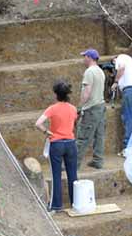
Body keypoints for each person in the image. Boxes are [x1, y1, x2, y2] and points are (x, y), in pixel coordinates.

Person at [35, 81, 78, 212]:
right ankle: (75, 202)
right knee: (73, 175)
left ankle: (56, 205)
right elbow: (74, 123)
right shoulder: (73, 108)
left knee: (56, 175)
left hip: (57, 143)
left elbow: (38, 123)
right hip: (70, 143)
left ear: (56, 95)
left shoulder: (52, 108)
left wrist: (46, 131)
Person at [75, 49, 106, 169]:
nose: (83, 59)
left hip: (91, 109)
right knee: (99, 136)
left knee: (82, 138)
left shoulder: (89, 72)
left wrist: (79, 107)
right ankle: (98, 160)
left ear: (89, 57)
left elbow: (86, 92)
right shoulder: (100, 71)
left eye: (84, 57)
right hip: (101, 106)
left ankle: (74, 164)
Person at [110, 53, 132, 154]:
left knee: (128, 118)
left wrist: (116, 82)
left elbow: (121, 68)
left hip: (130, 91)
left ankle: (128, 148)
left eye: (113, 63)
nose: (114, 66)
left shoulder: (121, 58)